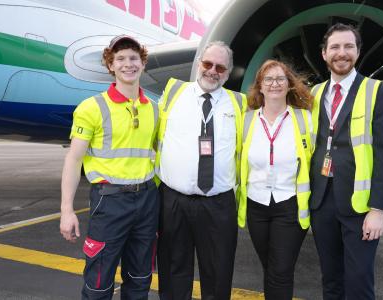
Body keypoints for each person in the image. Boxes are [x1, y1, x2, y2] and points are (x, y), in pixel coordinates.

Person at [59, 35, 159, 300]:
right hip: (110, 201)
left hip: (147, 200)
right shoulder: (92, 108)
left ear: (143, 63)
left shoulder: (155, 110)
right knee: (99, 283)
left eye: (134, 58)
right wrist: (66, 210)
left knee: (140, 279)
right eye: (121, 59)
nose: (128, 64)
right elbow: (74, 159)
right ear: (110, 65)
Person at [309, 23, 383, 299]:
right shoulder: (314, 94)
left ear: (358, 52)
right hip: (321, 201)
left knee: (359, 283)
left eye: (348, 46)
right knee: (331, 280)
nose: (341, 53)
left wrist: (378, 209)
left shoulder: (376, 91)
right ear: (324, 54)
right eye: (334, 47)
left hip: (359, 206)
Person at [155, 41, 246, 300]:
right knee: (173, 272)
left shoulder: (239, 103)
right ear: (198, 64)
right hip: (174, 200)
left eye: (220, 67)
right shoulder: (173, 92)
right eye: (208, 64)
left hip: (219, 204)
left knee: (218, 274)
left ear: (228, 72)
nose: (212, 71)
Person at [237, 59, 314, 299]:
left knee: (281, 270)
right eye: (268, 79)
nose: (274, 84)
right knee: (270, 268)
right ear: (259, 86)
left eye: (281, 78)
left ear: (289, 85)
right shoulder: (247, 120)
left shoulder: (305, 120)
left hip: (289, 204)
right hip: (256, 204)